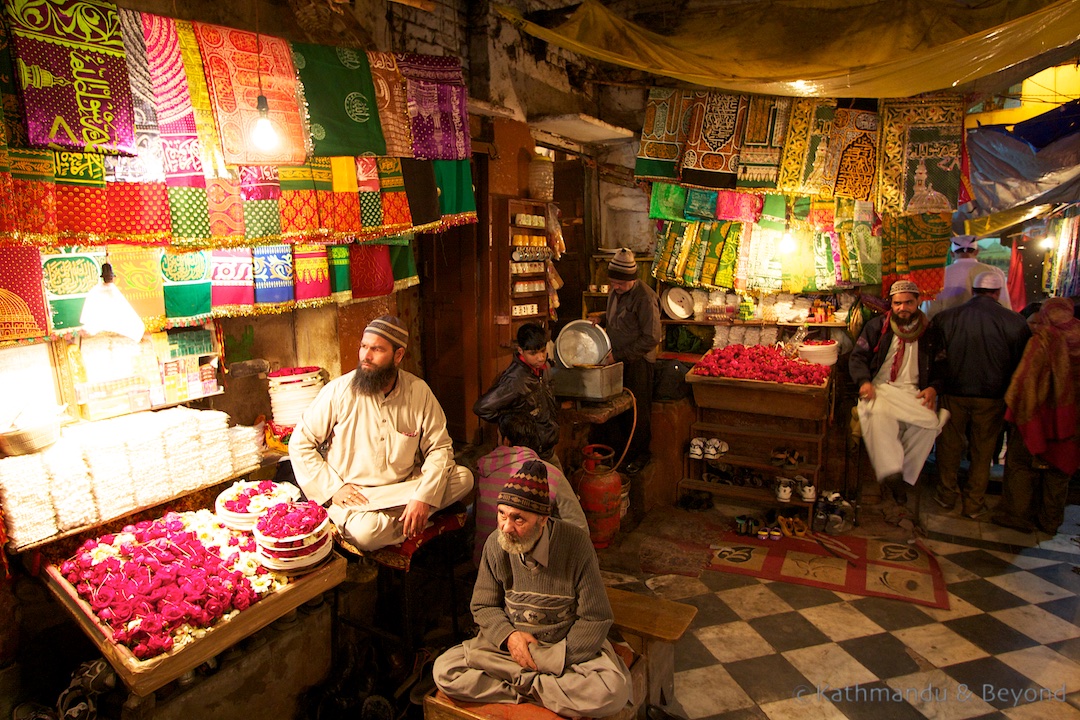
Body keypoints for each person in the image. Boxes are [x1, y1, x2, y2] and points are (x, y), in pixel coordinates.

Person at [433, 460, 631, 718]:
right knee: (445, 670)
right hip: (510, 652)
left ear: (542, 520)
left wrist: (551, 659)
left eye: (518, 519)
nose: (506, 527)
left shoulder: (576, 544)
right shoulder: (496, 543)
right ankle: (540, 691)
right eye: (502, 514)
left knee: (611, 691)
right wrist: (509, 637)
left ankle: (521, 687)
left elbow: (596, 617)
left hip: (560, 652)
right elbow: (483, 606)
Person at [288, 315, 474, 551]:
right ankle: (413, 521)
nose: (366, 356)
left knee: (464, 478)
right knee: (365, 534)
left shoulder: (419, 391)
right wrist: (333, 488)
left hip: (404, 488)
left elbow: (439, 448)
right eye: (364, 347)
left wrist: (423, 497)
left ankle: (411, 514)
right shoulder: (339, 391)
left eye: (376, 349)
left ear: (398, 356)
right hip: (358, 497)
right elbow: (300, 443)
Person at [930, 272, 1031, 518]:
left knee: (948, 447)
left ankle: (946, 496)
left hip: (953, 393)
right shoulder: (1015, 322)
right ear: (997, 292)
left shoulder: (946, 318)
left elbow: (935, 357)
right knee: (982, 451)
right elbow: (1021, 364)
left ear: (973, 290)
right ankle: (973, 504)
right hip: (992, 397)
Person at [849, 279, 948, 520]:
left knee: (929, 424)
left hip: (913, 392)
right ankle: (892, 473)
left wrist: (934, 388)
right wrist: (864, 382)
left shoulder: (931, 332)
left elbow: (943, 366)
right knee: (876, 415)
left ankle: (904, 476)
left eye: (908, 303)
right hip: (881, 388)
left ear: (918, 302)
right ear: (891, 305)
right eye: (897, 303)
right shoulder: (877, 327)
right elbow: (858, 358)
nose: (903, 308)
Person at [993, 298, 1080, 535]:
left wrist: (1014, 408)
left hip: (1038, 415)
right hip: (1072, 419)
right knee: (1059, 469)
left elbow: (1024, 380)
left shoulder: (1043, 339)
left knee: (1021, 465)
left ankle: (1017, 514)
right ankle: (1050, 520)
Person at [473, 412, 588, 565]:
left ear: (506, 441)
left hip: (483, 561)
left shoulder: (482, 470)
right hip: (529, 567)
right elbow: (579, 528)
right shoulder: (549, 474)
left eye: (498, 437)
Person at [595, 248, 661, 475]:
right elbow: (619, 318)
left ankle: (639, 456)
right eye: (613, 282)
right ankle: (620, 455)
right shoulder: (616, 291)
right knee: (617, 410)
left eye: (620, 284)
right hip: (617, 359)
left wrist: (620, 355)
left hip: (638, 362)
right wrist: (600, 318)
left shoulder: (645, 297)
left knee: (636, 411)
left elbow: (651, 337)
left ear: (632, 279)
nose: (616, 287)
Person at [473, 323, 561, 468]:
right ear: (520, 350)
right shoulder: (514, 380)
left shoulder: (544, 369)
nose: (540, 358)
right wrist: (509, 422)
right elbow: (482, 407)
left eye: (543, 351)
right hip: (525, 454)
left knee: (559, 487)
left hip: (547, 449)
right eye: (533, 353)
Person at [923, 235, 1010, 318]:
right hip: (989, 329)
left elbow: (929, 312)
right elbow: (1005, 308)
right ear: (976, 252)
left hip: (949, 330)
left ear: (952, 254)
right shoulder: (995, 272)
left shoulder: (938, 275)